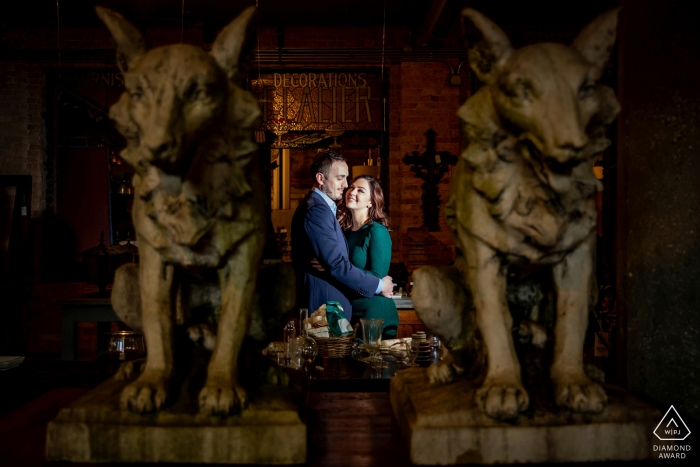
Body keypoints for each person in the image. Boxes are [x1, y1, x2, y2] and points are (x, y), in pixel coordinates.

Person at [291, 150, 393, 321]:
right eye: (340, 178)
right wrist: (380, 285)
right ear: (320, 179)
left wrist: (332, 267)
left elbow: (336, 264)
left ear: (371, 202)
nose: (346, 186)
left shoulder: (374, 230)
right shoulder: (318, 210)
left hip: (364, 308)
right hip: (324, 307)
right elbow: (337, 264)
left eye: (347, 179)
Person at [337, 175, 399, 338]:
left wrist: (338, 273)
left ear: (371, 202)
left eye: (360, 190)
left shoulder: (377, 231)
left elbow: (377, 276)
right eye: (351, 187)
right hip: (350, 310)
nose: (352, 192)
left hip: (375, 311)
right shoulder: (345, 233)